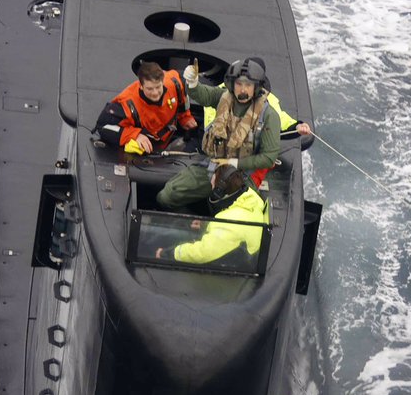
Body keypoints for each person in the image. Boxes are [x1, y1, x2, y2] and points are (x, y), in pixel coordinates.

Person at [156, 57, 280, 211]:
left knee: (232, 218)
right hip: (213, 165)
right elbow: (204, 95)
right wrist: (193, 83)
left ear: (256, 87)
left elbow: (268, 158)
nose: (243, 90)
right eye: (239, 84)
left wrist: (236, 163)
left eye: (248, 85)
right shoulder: (224, 97)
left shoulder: (268, 116)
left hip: (242, 177)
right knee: (167, 196)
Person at [159, 164, 269, 267]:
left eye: (213, 185)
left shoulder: (229, 222)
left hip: (233, 266)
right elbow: (229, 234)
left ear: (218, 192)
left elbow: (202, 253)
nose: (211, 187)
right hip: (239, 252)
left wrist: (169, 254)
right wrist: (206, 224)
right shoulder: (251, 197)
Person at [96, 60, 197, 154]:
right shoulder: (126, 104)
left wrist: (185, 117)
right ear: (141, 85)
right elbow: (103, 126)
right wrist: (134, 135)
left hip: (168, 137)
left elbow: (183, 96)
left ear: (163, 81)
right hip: (147, 148)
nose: (155, 93)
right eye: (150, 89)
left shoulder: (174, 82)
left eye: (158, 87)